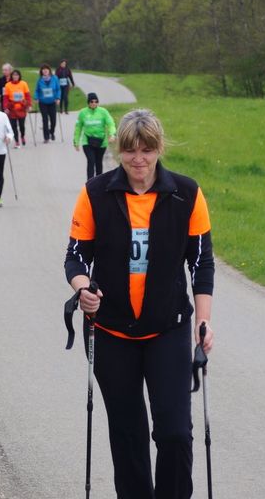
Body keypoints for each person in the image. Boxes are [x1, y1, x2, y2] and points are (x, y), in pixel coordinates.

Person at [64, 108, 215, 499]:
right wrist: (83, 289)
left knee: (175, 433)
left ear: (159, 148)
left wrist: (203, 322)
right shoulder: (96, 193)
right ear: (119, 150)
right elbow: (76, 257)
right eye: (130, 150)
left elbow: (201, 263)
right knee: (128, 435)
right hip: (111, 332)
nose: (138, 160)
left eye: (147, 150)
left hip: (168, 329)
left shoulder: (186, 194)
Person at [74, 92, 116, 180]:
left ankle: (98, 182)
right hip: (87, 141)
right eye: (92, 101)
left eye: (96, 101)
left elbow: (110, 124)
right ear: (88, 102)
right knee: (91, 161)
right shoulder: (83, 113)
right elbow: (78, 127)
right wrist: (76, 141)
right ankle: (90, 183)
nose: (94, 103)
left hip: (101, 142)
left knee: (98, 162)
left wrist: (112, 134)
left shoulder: (103, 112)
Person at [2, 69, 31, 147]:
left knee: (22, 125)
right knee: (13, 126)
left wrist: (29, 105)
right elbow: (5, 98)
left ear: (19, 76)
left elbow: (28, 96)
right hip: (12, 108)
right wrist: (5, 107)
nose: (15, 76)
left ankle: (22, 136)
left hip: (22, 108)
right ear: (11, 76)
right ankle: (17, 141)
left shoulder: (24, 84)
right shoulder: (7, 85)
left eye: (17, 75)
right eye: (14, 75)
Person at [34, 63, 61, 143]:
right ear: (41, 71)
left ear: (49, 70)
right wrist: (36, 98)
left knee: (53, 120)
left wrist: (58, 98)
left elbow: (58, 89)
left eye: (46, 69)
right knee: (45, 120)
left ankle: (51, 132)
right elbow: (37, 91)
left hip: (52, 102)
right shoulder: (39, 80)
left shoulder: (55, 78)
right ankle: (46, 137)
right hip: (43, 102)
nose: (45, 71)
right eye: (43, 69)